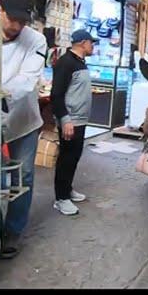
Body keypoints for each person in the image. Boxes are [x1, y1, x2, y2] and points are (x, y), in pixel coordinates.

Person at [0, 0, 47, 259]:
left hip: (23, 119)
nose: (16, 26)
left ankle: (12, 232)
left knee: (23, 176)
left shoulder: (36, 40)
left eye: (22, 21)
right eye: (12, 19)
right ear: (0, 9)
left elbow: (28, 79)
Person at [50, 30, 96, 216]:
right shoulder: (66, 63)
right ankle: (61, 199)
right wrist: (65, 119)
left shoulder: (79, 62)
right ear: (83, 43)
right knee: (66, 159)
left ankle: (67, 190)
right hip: (71, 121)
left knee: (74, 157)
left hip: (80, 119)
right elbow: (56, 94)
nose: (93, 46)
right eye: (91, 43)